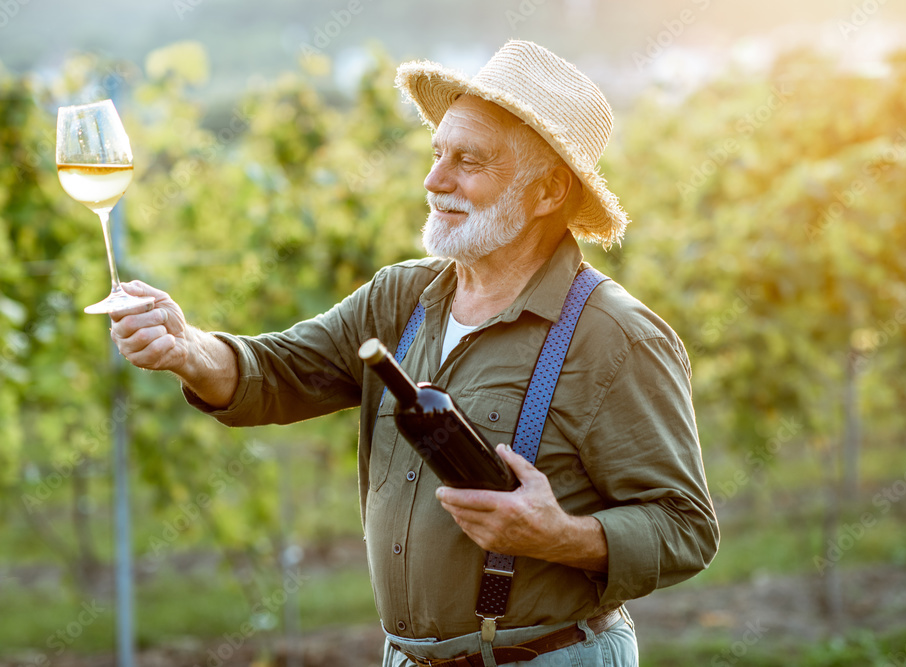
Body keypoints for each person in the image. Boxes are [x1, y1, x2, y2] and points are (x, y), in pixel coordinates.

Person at [110, 40, 718, 667]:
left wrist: (561, 537)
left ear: (547, 192)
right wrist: (188, 350)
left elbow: (686, 529)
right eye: (436, 153)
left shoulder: (613, 336)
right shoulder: (401, 297)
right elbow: (280, 370)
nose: (435, 180)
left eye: (468, 160)